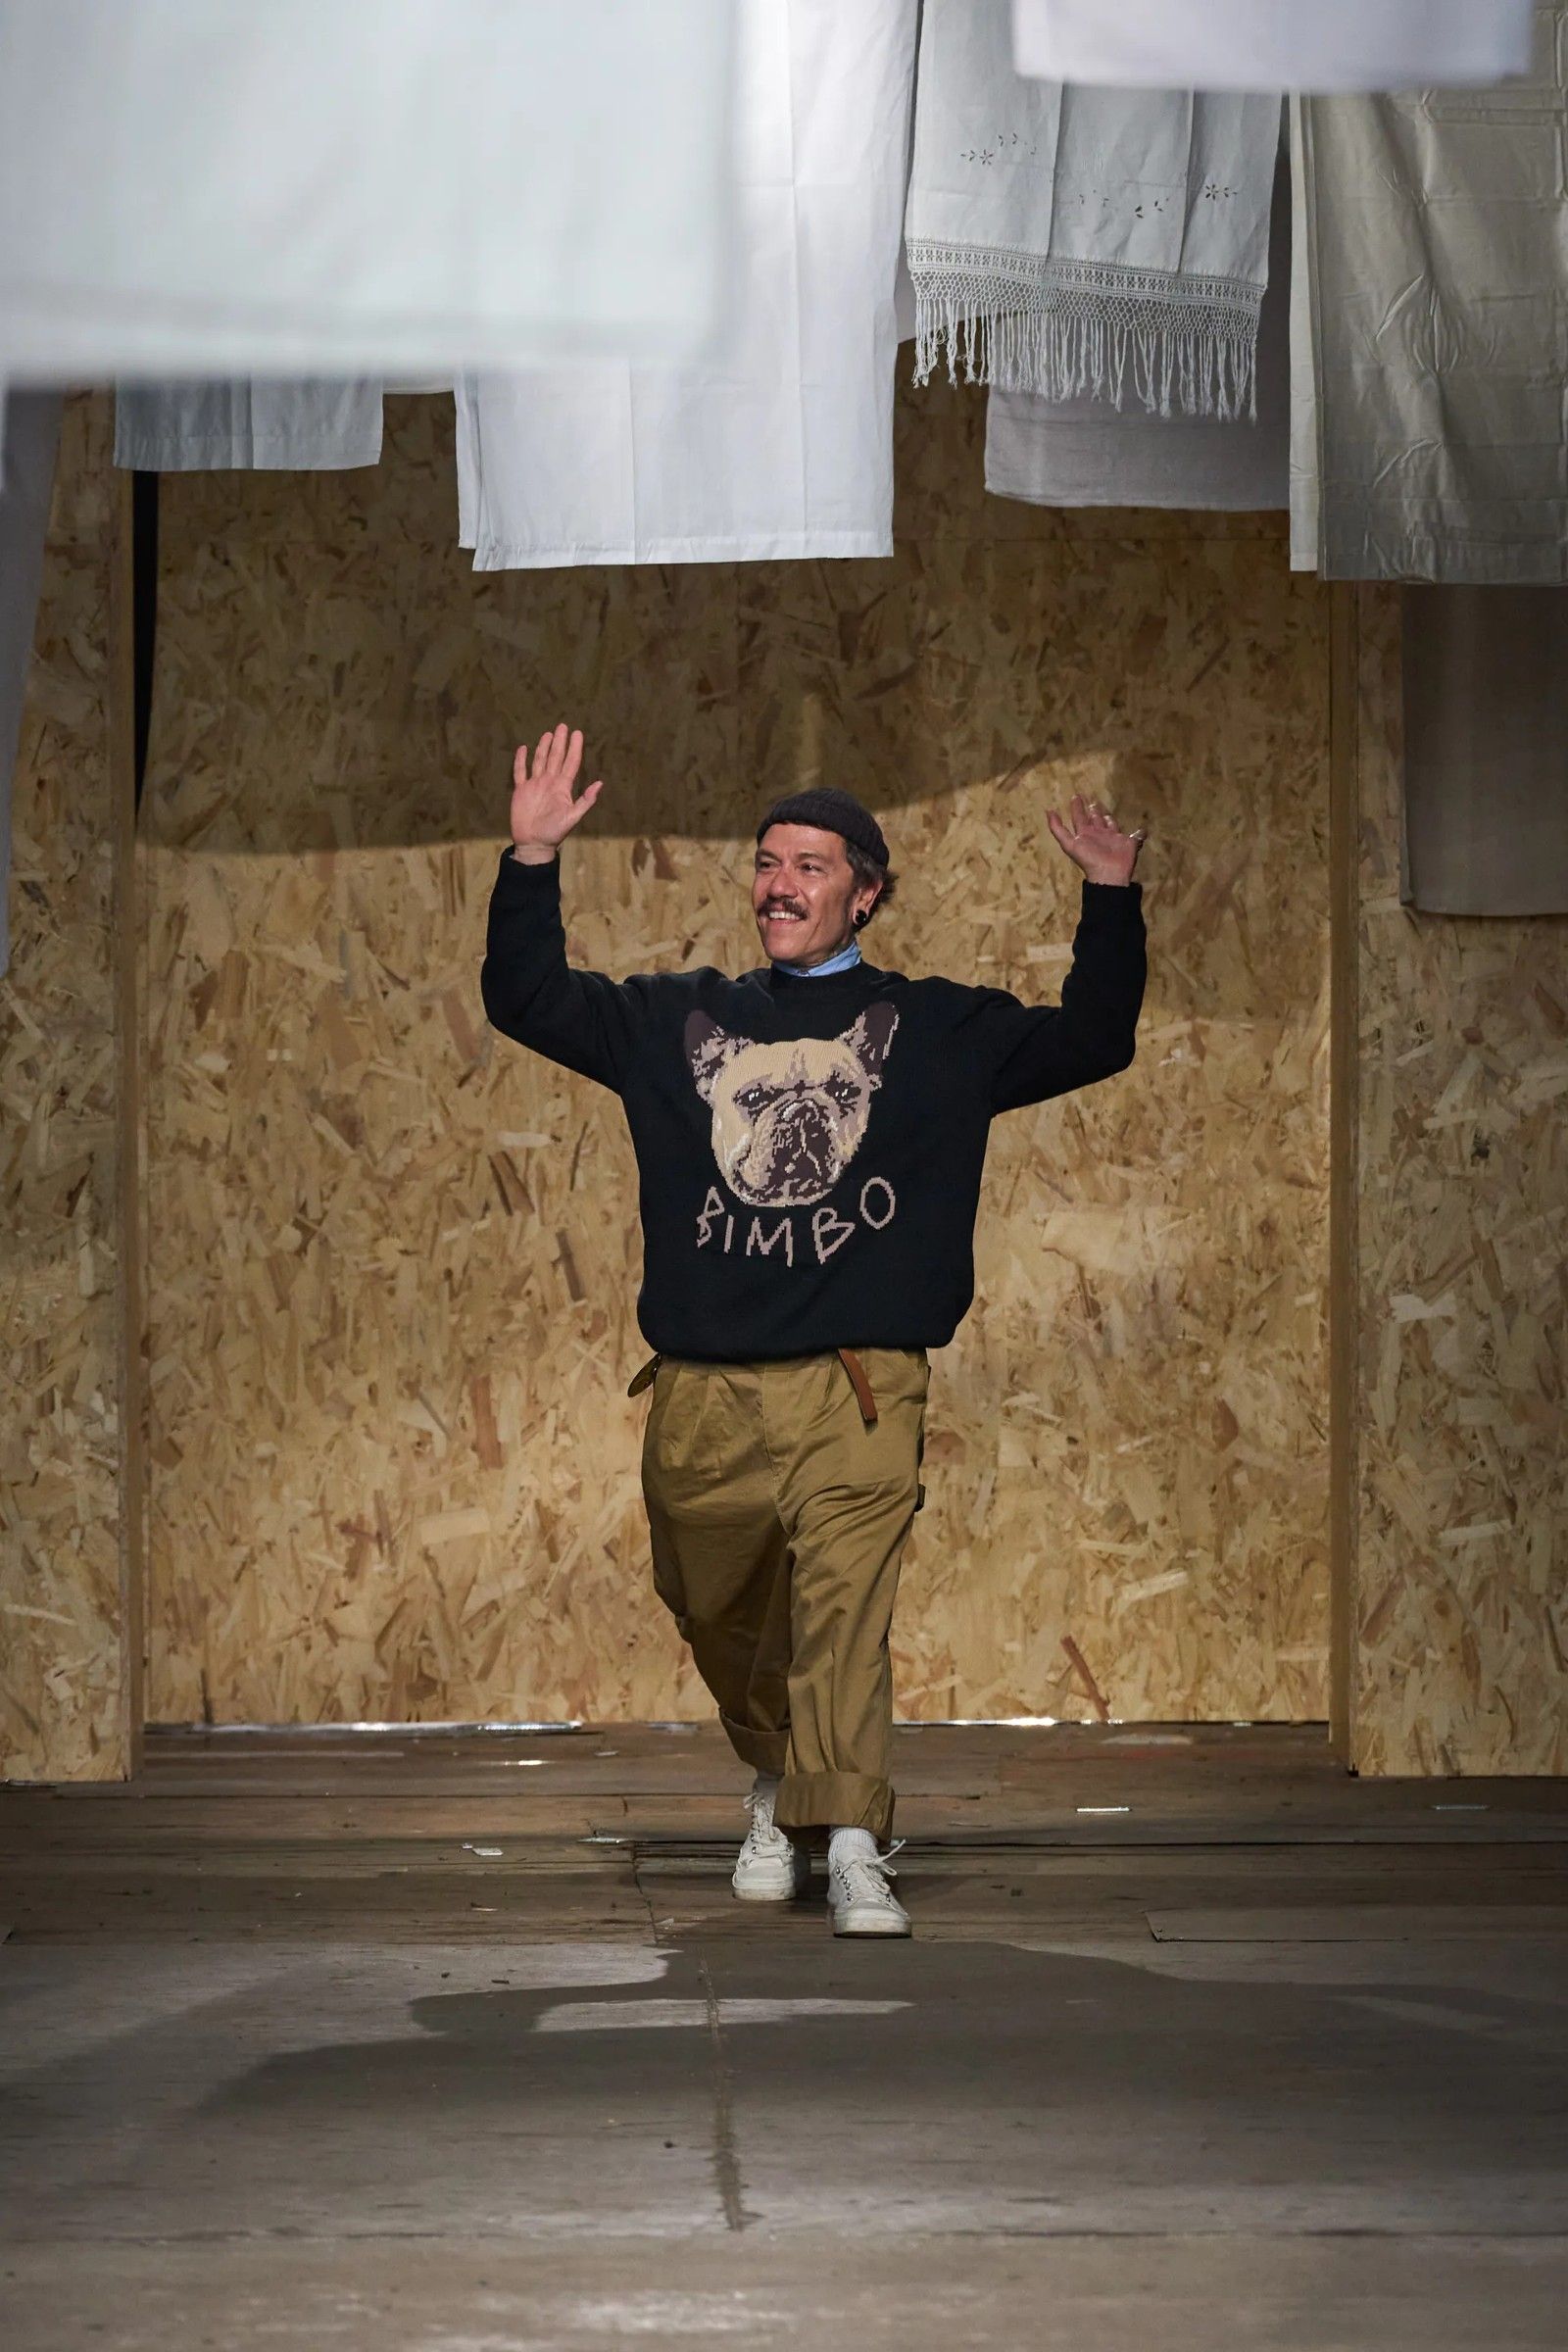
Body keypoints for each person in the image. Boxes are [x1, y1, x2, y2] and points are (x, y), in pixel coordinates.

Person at [480, 723, 1148, 1936]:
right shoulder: (681, 1021)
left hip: (859, 1380)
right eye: (766, 862)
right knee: (712, 1602)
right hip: (705, 1387)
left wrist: (1109, 895)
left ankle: (849, 1842)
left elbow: (1093, 1038)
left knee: (844, 1611)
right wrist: (531, 861)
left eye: (810, 866)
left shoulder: (931, 1031)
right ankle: (782, 1771)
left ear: (865, 894)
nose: (779, 885)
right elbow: (526, 998)